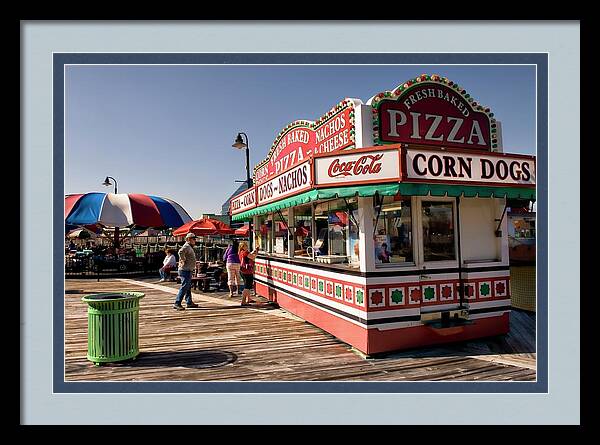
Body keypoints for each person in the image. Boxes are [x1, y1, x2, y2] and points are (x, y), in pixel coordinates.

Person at [173, 233, 199, 310]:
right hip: (185, 270)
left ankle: (189, 302)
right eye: (193, 239)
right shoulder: (187, 246)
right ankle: (177, 303)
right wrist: (183, 259)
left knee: (187, 287)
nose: (195, 240)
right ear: (188, 239)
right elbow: (180, 252)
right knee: (184, 286)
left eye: (195, 239)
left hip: (188, 269)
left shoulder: (189, 247)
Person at [238, 241, 258, 306]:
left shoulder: (241, 252)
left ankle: (248, 299)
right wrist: (256, 252)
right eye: (245, 245)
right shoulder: (246, 252)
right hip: (247, 271)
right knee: (247, 286)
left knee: (248, 286)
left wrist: (253, 252)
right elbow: (253, 257)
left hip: (242, 270)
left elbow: (248, 256)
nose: (247, 246)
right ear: (242, 247)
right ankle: (243, 301)